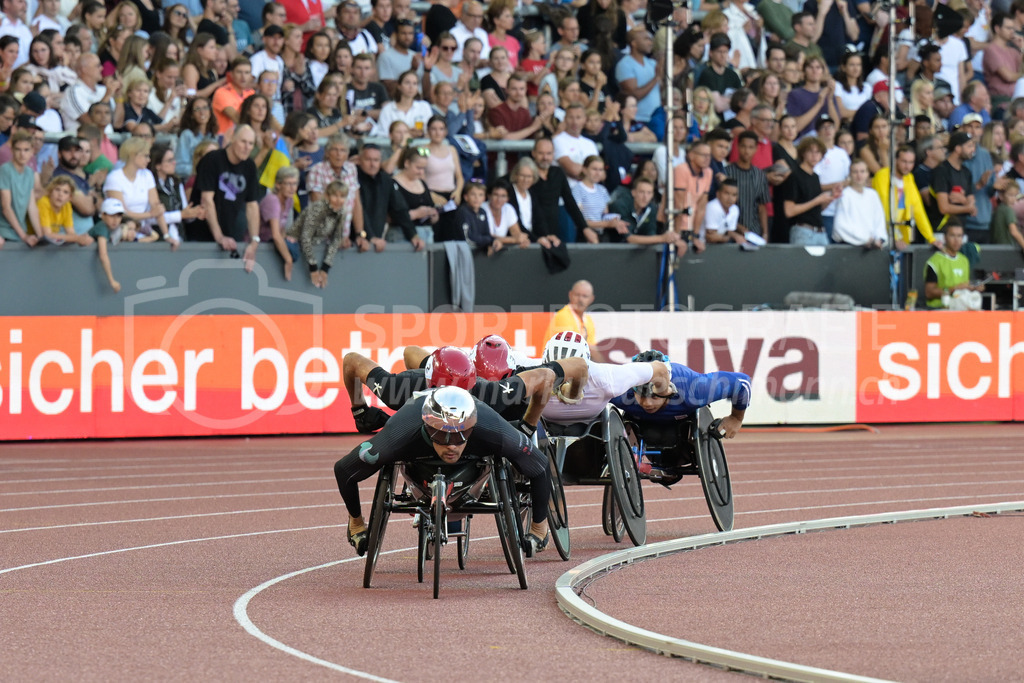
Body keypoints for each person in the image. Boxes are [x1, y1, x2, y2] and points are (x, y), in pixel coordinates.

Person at [334, 385, 552, 556]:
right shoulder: (400, 433)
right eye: (442, 436)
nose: (451, 446)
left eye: (459, 436)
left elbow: (540, 465)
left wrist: (538, 527)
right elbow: (344, 470)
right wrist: (357, 521)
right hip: (414, 438)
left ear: (472, 427)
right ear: (427, 428)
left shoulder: (492, 428)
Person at [612, 349, 750, 444]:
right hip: (640, 426)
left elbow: (742, 383)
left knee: (668, 439)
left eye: (654, 397)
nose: (647, 403)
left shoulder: (693, 389)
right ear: (632, 389)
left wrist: (736, 418)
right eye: (641, 396)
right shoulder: (619, 389)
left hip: (681, 429)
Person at [187, 124, 262, 271]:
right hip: (201, 235)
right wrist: (219, 236)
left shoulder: (250, 166)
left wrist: (254, 240)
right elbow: (207, 200)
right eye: (243, 141)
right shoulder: (212, 160)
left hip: (230, 234)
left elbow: (252, 205)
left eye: (251, 143)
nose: (247, 147)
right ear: (232, 138)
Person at [103, 136, 174, 245]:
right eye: (146, 156)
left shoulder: (147, 175)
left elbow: (156, 206)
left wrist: (166, 235)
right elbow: (122, 212)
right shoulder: (114, 178)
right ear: (133, 155)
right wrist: (150, 214)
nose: (149, 160)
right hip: (120, 229)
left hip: (141, 228)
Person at [355, 143, 425, 252]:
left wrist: (413, 235)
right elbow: (358, 211)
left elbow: (400, 209)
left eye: (376, 160)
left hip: (376, 240)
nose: (372, 164)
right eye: (368, 159)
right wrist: (369, 237)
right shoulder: (352, 178)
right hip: (355, 241)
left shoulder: (385, 180)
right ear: (359, 160)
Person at [288, 179, 349, 288]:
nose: (338, 200)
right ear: (327, 195)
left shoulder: (342, 212)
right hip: (295, 244)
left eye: (342, 197)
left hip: (316, 246)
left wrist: (325, 267)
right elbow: (305, 237)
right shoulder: (318, 208)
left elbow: (336, 239)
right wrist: (313, 267)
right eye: (335, 195)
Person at [873, 144, 937, 247]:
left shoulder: (909, 179)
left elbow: (918, 210)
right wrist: (894, 238)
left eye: (911, 162)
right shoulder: (882, 175)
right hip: (881, 235)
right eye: (904, 161)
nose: (907, 166)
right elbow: (884, 207)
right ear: (896, 160)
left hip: (900, 238)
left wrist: (931, 238)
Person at [783, 136, 839, 246]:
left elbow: (817, 208)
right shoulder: (794, 176)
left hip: (820, 231)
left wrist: (831, 198)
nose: (815, 156)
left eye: (818, 152)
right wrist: (817, 200)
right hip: (803, 231)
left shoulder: (815, 177)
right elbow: (789, 211)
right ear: (803, 153)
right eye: (811, 152)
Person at [150, 143, 204, 246]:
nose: (174, 163)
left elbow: (184, 213)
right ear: (157, 165)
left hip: (179, 238)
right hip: (158, 241)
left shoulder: (176, 183)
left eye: (174, 159)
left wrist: (194, 213)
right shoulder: (151, 186)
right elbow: (150, 218)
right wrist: (181, 215)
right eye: (169, 160)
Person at [924, 221, 984, 308]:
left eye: (959, 236)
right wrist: (954, 289)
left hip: (961, 307)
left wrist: (973, 288)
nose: (956, 240)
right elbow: (929, 293)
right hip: (940, 309)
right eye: (952, 235)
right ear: (945, 237)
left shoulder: (964, 260)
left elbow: (964, 286)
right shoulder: (934, 261)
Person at [544, 281, 605, 362]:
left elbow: (591, 348)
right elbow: (567, 351)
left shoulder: (588, 320)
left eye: (585, 296)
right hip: (553, 366)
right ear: (570, 295)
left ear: (591, 299)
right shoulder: (563, 316)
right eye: (577, 295)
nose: (580, 299)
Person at [832, 159, 888, 248]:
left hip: (873, 247)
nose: (859, 175)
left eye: (862, 171)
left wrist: (879, 239)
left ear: (867, 174)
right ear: (850, 174)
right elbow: (840, 227)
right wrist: (865, 239)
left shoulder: (873, 195)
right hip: (850, 247)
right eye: (855, 172)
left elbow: (879, 221)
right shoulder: (845, 195)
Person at [60, 53, 119, 135]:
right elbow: (89, 121)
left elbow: (117, 123)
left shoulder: (103, 90)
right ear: (84, 69)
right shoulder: (73, 92)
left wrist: (119, 96)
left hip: (108, 142)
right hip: (84, 143)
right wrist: (107, 96)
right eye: (97, 66)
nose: (102, 68)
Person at [726, 130, 771, 238]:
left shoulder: (760, 175)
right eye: (743, 146)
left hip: (754, 232)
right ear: (737, 147)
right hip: (731, 232)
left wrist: (765, 233)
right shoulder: (727, 172)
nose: (747, 151)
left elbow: (762, 207)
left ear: (756, 149)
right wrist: (736, 226)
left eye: (751, 147)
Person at [0, 131, 41, 245]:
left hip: (20, 231)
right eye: (18, 149)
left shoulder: (29, 173)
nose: (22, 154)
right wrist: (24, 236)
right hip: (4, 231)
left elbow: (31, 206)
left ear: (32, 151)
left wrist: (41, 235)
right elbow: (6, 208)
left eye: (26, 150)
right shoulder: (5, 170)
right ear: (12, 150)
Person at [931, 130, 976, 233]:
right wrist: (967, 207)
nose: (973, 150)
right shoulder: (941, 171)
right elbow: (944, 208)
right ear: (957, 148)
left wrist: (964, 201)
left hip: (960, 231)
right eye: (969, 146)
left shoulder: (966, 172)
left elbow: (972, 206)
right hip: (942, 231)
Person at [614, 28, 661, 125]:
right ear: (634, 43)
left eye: (650, 39)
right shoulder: (625, 64)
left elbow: (661, 89)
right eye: (646, 39)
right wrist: (656, 77)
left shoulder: (652, 63)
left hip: (656, 118)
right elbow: (634, 95)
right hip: (638, 119)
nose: (650, 43)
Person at [88, 197, 134, 292]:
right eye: (112, 215)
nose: (115, 220)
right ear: (103, 215)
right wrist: (111, 280)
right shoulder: (102, 227)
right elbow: (103, 255)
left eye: (118, 216)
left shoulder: (114, 229)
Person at [36, 175, 93, 245]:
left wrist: (82, 239)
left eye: (65, 192)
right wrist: (77, 238)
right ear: (50, 191)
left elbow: (71, 232)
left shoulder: (67, 205)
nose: (60, 194)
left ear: (70, 197)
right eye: (57, 189)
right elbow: (47, 235)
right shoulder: (44, 202)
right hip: (30, 241)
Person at [212, 56, 254, 138]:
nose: (243, 77)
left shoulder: (251, 93)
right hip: (223, 139)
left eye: (247, 73)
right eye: (239, 72)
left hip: (245, 138)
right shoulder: (221, 92)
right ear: (231, 74)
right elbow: (237, 119)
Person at [483, 179, 528, 248]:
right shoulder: (482, 209)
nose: (499, 199)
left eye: (503, 196)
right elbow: (485, 237)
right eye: (496, 195)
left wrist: (523, 240)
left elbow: (516, 234)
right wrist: (512, 240)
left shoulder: (508, 209)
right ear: (489, 196)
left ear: (507, 199)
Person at [991, 181, 1024, 250]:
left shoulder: (998, 209)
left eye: (1015, 195)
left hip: (996, 247)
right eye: (1010, 195)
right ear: (1001, 196)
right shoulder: (1008, 210)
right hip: (1007, 248)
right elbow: (1014, 232)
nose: (1013, 198)